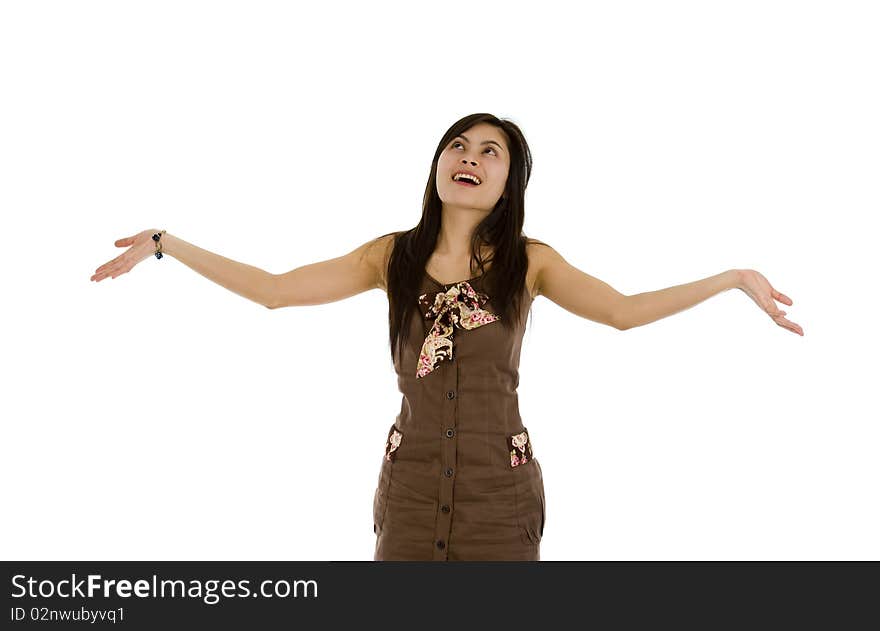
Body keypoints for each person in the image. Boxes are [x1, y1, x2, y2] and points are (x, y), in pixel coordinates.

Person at [90, 112, 804, 561]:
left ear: (509, 181)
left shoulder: (532, 263)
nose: (470, 155)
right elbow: (276, 289)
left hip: (502, 496)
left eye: (491, 151)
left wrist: (732, 278)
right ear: (438, 165)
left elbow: (622, 309)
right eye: (458, 144)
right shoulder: (390, 256)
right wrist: (166, 244)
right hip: (408, 492)